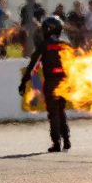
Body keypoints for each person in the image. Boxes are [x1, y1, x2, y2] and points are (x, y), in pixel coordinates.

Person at [19, 16, 71, 153]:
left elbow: (33, 66)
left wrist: (23, 82)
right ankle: (66, 140)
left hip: (51, 82)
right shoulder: (66, 44)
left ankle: (56, 143)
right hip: (64, 82)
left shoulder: (44, 45)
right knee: (61, 111)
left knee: (53, 113)